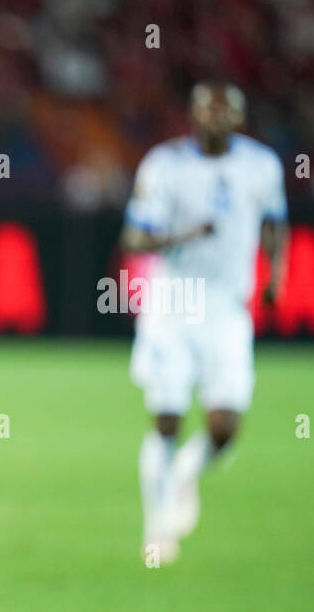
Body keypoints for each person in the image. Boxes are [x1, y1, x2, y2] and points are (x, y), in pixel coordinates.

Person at [122, 82, 287, 564]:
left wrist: (276, 274)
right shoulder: (164, 165)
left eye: (226, 109)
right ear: (192, 114)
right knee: (167, 418)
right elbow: (134, 237)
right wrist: (182, 234)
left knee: (224, 426)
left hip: (227, 307)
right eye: (208, 108)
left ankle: (185, 474)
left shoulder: (261, 165)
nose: (217, 117)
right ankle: (156, 528)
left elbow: (275, 222)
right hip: (173, 303)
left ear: (239, 116)